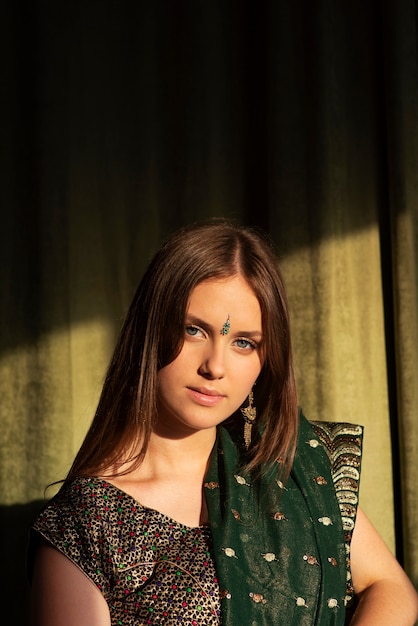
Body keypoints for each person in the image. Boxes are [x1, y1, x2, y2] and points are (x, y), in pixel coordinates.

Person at [28, 220, 418, 626]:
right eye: (194, 330)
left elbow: (391, 587)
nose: (215, 366)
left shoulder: (289, 468)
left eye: (243, 342)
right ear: (151, 330)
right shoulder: (85, 523)